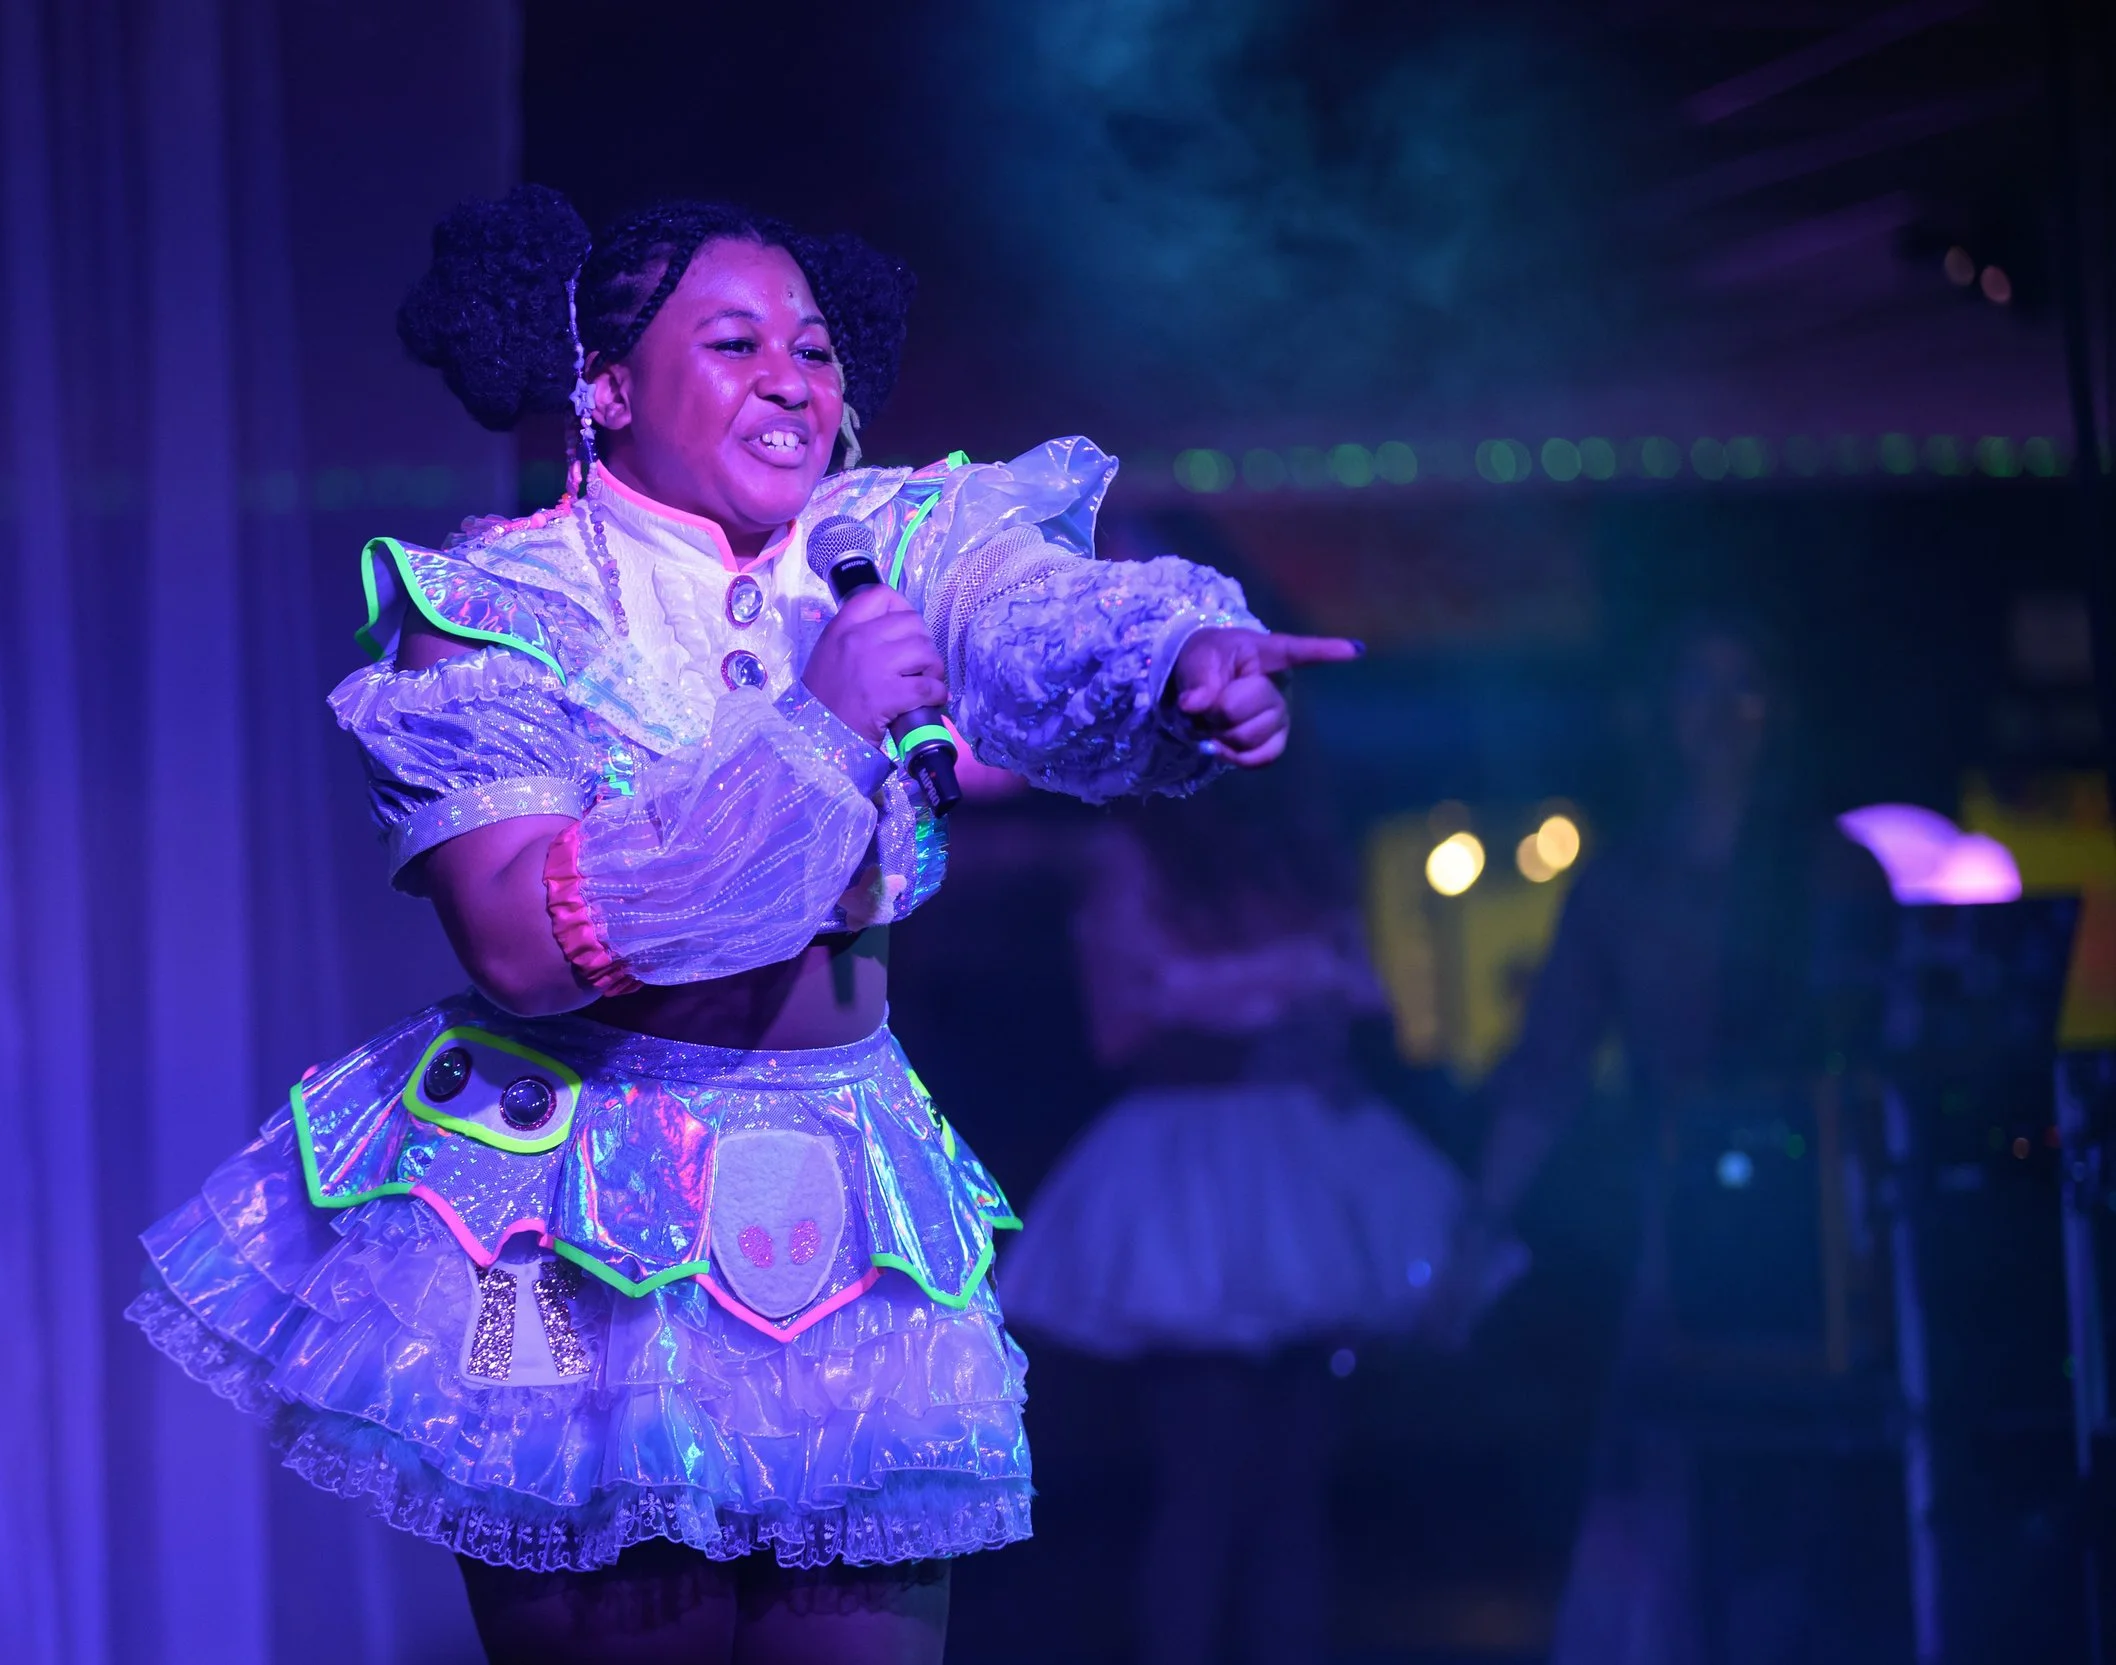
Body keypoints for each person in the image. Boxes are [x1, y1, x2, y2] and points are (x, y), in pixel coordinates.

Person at [125, 185, 1359, 1665]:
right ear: (606, 386)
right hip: (535, 1230)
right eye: (734, 341)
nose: (794, 375)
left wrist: (1179, 654)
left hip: (841, 1189)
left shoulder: (882, 540)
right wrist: (820, 730)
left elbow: (1032, 607)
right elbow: (521, 936)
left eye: (816, 345)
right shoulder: (497, 604)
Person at [1002, 728, 1518, 1665]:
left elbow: (1366, 1012)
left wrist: (1327, 1052)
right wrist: (1258, 1054)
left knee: (1295, 1493)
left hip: (1310, 1165)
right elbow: (1123, 1034)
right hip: (1196, 1180)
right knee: (1204, 1484)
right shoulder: (1130, 853)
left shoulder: (1308, 852)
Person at [1436, 617, 1889, 1665]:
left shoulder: (1833, 868)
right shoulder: (1622, 884)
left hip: (1824, 1224)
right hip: (1681, 1226)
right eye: (1700, 688)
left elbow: (1881, 1052)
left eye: (1745, 686)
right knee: (1688, 1488)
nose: (1723, 715)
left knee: (1812, 1498)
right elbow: (1546, 1072)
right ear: (1658, 714)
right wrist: (1475, 1231)